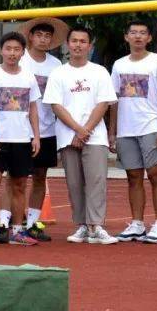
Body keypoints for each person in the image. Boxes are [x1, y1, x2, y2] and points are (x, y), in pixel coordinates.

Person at [43, 26, 119, 245]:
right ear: (67, 45)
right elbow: (56, 105)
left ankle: (97, 226)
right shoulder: (59, 73)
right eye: (74, 41)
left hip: (95, 136)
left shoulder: (99, 72)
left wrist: (85, 131)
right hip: (68, 135)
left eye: (82, 41)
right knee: (74, 183)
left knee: (96, 181)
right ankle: (83, 226)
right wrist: (77, 129)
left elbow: (103, 103)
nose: (78, 45)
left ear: (90, 45)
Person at [0, 18, 68, 242]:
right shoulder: (20, 59)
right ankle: (4, 222)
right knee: (13, 178)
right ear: (31, 37)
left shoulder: (56, 65)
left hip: (46, 129)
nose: (43, 40)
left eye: (48, 36)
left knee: (39, 177)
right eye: (39, 35)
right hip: (18, 131)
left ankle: (33, 223)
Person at [108, 20, 157, 243]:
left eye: (142, 33)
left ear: (149, 38)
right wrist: (112, 132)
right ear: (126, 37)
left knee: (156, 175)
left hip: (151, 125)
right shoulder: (118, 65)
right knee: (133, 177)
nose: (138, 36)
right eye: (133, 33)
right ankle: (137, 223)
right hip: (126, 129)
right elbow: (113, 100)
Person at [0, 32, 42, 247]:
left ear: (22, 52)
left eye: (17, 49)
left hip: (22, 139)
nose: (12, 53)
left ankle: (17, 230)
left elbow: (32, 108)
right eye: (8, 49)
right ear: (1, 50)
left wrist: (36, 136)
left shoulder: (28, 77)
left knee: (20, 185)